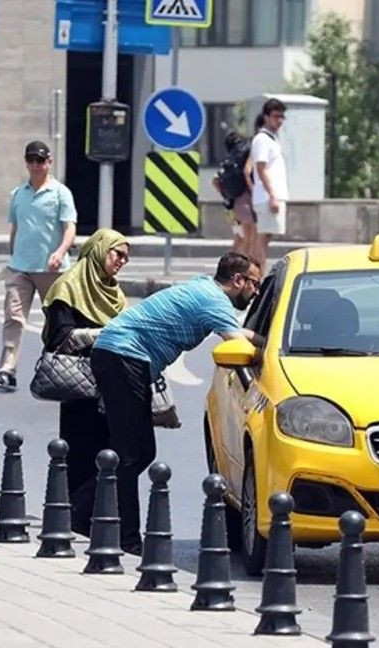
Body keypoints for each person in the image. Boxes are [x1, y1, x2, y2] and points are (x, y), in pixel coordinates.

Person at [89, 253, 260, 553]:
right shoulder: (214, 300)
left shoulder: (206, 289)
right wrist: (272, 354)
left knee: (139, 452)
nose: (256, 292)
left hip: (122, 357)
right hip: (123, 356)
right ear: (237, 280)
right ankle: (123, 537)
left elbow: (241, 332)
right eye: (254, 284)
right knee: (130, 454)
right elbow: (238, 343)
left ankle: (82, 514)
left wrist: (267, 341)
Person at [40, 229, 129, 536]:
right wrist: (102, 334)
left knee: (110, 450)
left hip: (110, 383)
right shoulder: (68, 287)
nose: (122, 261)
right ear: (99, 250)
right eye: (118, 254)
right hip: (77, 384)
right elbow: (60, 337)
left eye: (126, 258)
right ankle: (72, 516)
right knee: (79, 451)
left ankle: (94, 515)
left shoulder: (114, 292)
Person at [0, 141, 77, 392]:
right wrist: (13, 254)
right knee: (13, 317)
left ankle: (59, 368)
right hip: (21, 268)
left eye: (40, 160)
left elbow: (69, 227)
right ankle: (7, 371)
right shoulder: (18, 194)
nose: (36, 165)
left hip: (52, 270)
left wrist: (60, 251)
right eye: (31, 160)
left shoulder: (60, 193)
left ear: (49, 162)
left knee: (57, 321)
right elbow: (15, 227)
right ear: (26, 162)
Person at [245, 99, 289, 275]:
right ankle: (257, 277)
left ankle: (256, 275)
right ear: (266, 117)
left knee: (265, 236)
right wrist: (272, 195)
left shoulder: (271, 139)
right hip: (267, 196)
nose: (279, 120)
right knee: (262, 238)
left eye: (281, 117)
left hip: (271, 195)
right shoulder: (262, 139)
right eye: (276, 116)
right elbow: (261, 169)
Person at [212, 130, 258, 259]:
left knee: (239, 237)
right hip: (243, 202)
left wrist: (225, 194)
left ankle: (230, 262)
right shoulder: (242, 156)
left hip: (229, 206)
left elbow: (215, 181)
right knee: (248, 236)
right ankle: (240, 263)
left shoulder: (228, 160)